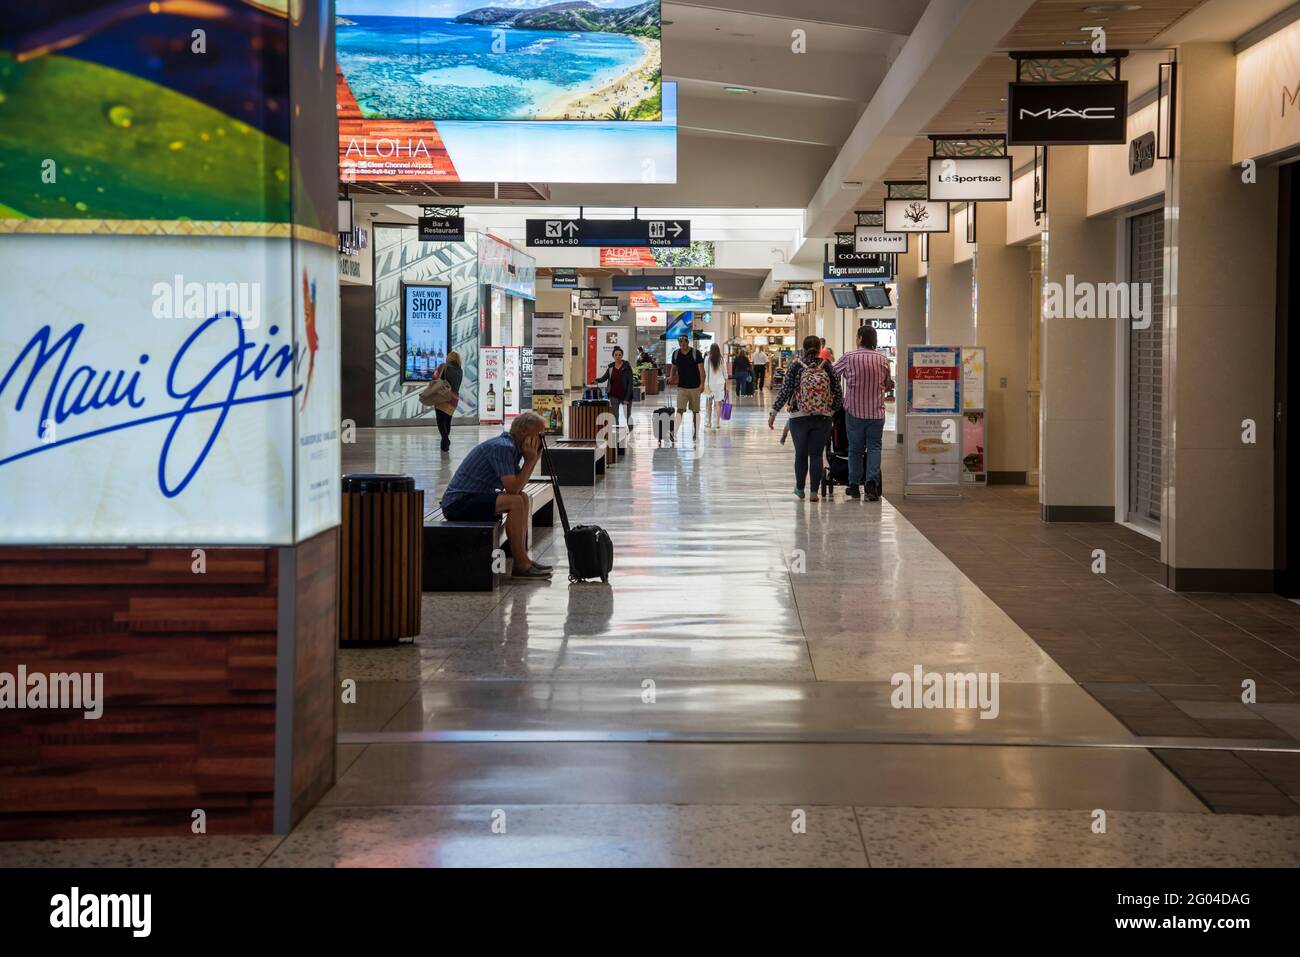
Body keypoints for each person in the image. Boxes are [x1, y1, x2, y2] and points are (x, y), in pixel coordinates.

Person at [438, 411, 553, 580]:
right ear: (523, 432)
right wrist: (530, 461)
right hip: (458, 503)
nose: (541, 439)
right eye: (539, 434)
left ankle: (523, 559)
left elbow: (518, 486)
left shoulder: (511, 448)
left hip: (475, 499)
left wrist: (533, 458)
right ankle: (521, 564)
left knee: (523, 498)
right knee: (516, 500)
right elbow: (512, 488)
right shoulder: (503, 447)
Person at [769, 335, 842, 501]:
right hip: (822, 417)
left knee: (800, 454)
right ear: (819, 348)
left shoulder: (796, 366)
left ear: (803, 347)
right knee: (816, 455)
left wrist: (773, 412)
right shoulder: (827, 365)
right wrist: (831, 411)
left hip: (798, 416)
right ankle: (814, 492)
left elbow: (785, 390)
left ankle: (800, 488)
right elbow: (838, 392)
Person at [833, 325, 895, 501]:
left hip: (854, 412)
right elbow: (888, 384)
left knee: (855, 449)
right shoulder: (883, 360)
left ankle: (853, 485)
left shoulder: (849, 357)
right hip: (876, 413)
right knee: (874, 448)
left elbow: (832, 372)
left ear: (860, 338)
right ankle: (871, 486)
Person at [667, 333, 705, 439]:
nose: (682, 344)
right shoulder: (676, 354)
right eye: (680, 342)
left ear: (688, 342)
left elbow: (702, 371)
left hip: (695, 387)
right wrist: (671, 377)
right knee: (680, 410)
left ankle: (696, 432)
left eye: (684, 341)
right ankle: (674, 432)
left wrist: (702, 384)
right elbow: (674, 367)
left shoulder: (695, 353)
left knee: (695, 411)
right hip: (682, 387)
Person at [594, 346, 635, 437]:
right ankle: (617, 432)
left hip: (625, 395)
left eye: (620, 355)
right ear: (613, 356)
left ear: (622, 356)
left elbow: (630, 383)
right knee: (615, 415)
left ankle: (631, 432)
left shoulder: (627, 367)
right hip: (614, 395)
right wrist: (597, 380)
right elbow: (605, 377)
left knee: (627, 415)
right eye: (616, 355)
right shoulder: (611, 367)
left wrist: (627, 398)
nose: (618, 357)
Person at [432, 350, 463, 453]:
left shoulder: (443, 366)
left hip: (442, 397)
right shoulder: (460, 370)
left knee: (440, 421)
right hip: (454, 399)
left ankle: (446, 440)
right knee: (447, 421)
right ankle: (444, 445)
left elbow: (434, 378)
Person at [702, 343, 729, 430]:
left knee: (709, 404)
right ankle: (717, 423)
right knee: (718, 404)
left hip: (710, 384)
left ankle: (709, 422)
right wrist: (727, 383)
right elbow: (725, 372)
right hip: (720, 384)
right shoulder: (722, 359)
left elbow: (705, 371)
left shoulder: (707, 359)